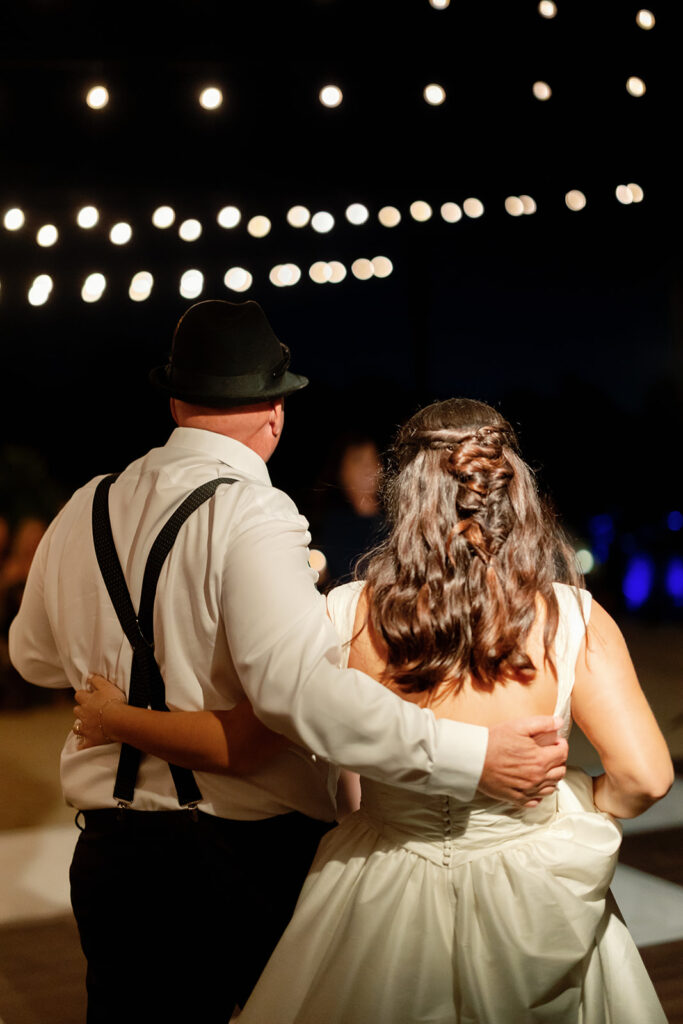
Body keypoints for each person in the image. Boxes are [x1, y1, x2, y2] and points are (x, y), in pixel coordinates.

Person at [8, 304, 568, 1024]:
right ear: (274, 413)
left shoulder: (86, 504)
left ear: (175, 403)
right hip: (239, 859)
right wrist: (473, 756)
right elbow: (300, 695)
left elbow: (32, 658)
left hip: (112, 860)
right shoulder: (254, 512)